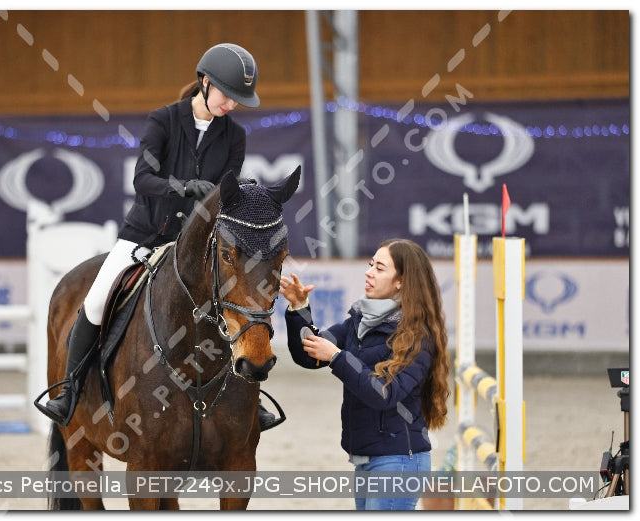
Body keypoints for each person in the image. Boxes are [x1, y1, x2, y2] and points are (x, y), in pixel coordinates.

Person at [37, 43, 280, 430]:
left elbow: (226, 191)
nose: (232, 105)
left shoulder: (234, 135)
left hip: (199, 246)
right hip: (146, 235)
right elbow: (143, 180)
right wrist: (186, 188)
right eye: (228, 96)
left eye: (238, 100)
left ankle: (250, 398)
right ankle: (70, 390)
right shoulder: (163, 121)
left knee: (233, 302)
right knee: (97, 302)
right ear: (205, 83)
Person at [279, 238, 451, 510]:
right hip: (367, 457)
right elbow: (309, 354)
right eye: (371, 264)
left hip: (399, 462)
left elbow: (384, 393)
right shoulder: (357, 321)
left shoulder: (418, 337)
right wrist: (299, 310)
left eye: (380, 268)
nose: (369, 272)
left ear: (401, 282)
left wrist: (336, 357)